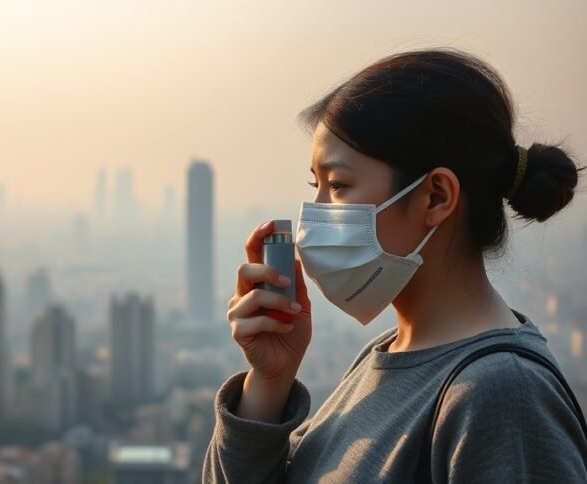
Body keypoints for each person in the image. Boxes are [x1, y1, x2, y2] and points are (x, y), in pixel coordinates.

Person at [203, 48, 587, 483]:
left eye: (339, 185)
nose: (317, 211)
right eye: (317, 185)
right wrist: (271, 380)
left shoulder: (502, 396)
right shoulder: (387, 355)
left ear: (436, 197)